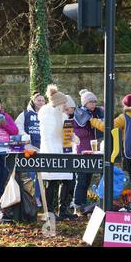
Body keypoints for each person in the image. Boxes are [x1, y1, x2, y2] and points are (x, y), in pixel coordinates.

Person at [39, 85, 76, 220]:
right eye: (63, 103)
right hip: (52, 153)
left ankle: (63, 209)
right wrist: (51, 154)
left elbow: (65, 134)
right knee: (51, 182)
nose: (65, 106)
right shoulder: (47, 114)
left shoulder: (62, 116)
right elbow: (48, 137)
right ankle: (49, 211)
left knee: (67, 180)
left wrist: (72, 137)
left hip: (64, 152)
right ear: (58, 103)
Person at [90, 93, 131, 181]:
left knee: (129, 178)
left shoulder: (124, 117)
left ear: (126, 105)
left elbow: (106, 127)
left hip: (128, 152)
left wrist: (92, 120)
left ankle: (130, 194)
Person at [72, 89, 104, 214]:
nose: (93, 104)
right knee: (81, 179)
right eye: (91, 102)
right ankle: (77, 204)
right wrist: (90, 128)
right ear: (85, 103)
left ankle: (83, 204)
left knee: (88, 179)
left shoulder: (96, 114)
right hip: (82, 151)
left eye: (94, 102)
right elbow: (76, 131)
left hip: (93, 151)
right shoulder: (78, 114)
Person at [14, 91, 46, 207]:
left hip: (43, 148)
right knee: (30, 175)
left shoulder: (46, 114)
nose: (41, 102)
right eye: (38, 100)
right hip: (29, 149)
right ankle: (28, 198)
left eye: (43, 100)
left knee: (41, 176)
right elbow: (17, 127)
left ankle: (37, 197)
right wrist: (26, 137)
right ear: (33, 101)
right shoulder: (25, 114)